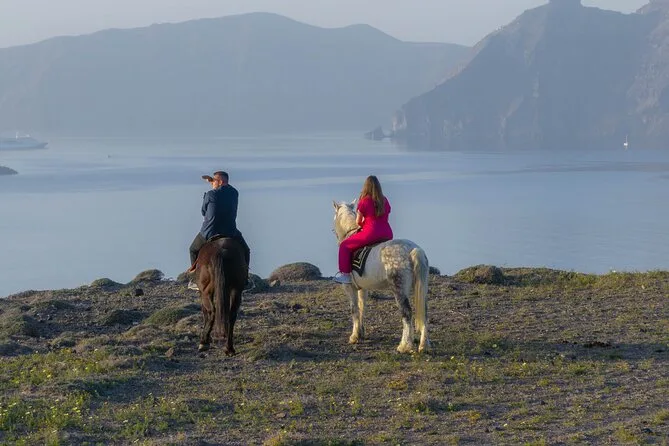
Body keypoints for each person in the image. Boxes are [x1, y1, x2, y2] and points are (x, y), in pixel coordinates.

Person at [187, 171, 251, 290]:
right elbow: (227, 188)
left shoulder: (210, 194)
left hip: (209, 231)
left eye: (213, 181)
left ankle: (196, 279)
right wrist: (213, 181)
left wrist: (210, 190)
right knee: (246, 250)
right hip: (230, 231)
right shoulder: (234, 193)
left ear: (220, 182)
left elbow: (203, 212)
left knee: (193, 249)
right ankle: (246, 279)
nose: (212, 183)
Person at [334, 175, 393, 284]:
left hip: (371, 233)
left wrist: (362, 225)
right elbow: (386, 216)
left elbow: (358, 221)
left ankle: (346, 275)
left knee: (344, 246)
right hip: (387, 233)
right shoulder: (384, 200)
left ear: (366, 186)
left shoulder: (364, 201)